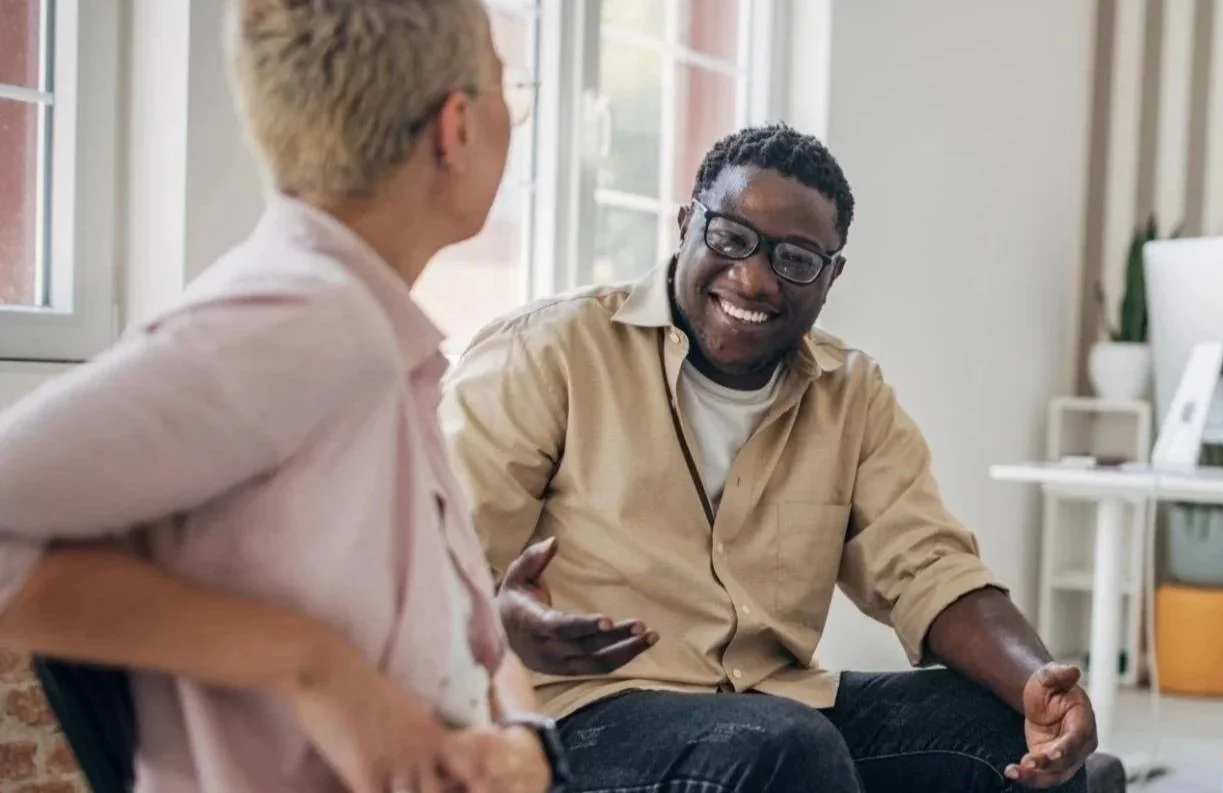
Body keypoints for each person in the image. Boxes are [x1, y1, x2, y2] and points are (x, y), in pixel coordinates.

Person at [441, 123, 1112, 793]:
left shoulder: (851, 394)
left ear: (831, 276)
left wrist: (1037, 683)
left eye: (794, 259)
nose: (755, 278)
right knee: (787, 745)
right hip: (579, 716)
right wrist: (502, 622)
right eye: (731, 238)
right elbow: (431, 567)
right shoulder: (550, 351)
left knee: (1002, 729)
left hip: (769, 703)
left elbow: (929, 569)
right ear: (686, 224)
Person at [0, 1, 564, 791]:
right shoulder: (306, 324)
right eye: (507, 87)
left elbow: (469, 643)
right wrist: (312, 667)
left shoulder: (370, 332)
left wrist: (526, 742)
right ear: (456, 127)